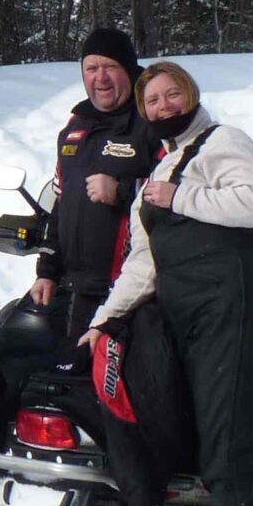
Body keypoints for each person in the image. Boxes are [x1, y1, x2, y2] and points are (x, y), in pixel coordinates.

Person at [81, 60, 253, 506]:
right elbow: (143, 263)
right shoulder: (160, 169)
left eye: (174, 94)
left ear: (192, 96)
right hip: (183, 310)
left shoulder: (225, 142)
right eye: (153, 100)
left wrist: (182, 194)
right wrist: (106, 319)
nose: (164, 105)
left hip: (233, 300)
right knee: (203, 444)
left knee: (229, 446)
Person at [28, 26, 159, 349]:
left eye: (110, 66)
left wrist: (122, 191)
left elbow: (180, 193)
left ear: (129, 69)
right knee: (83, 384)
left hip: (136, 291)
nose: (100, 77)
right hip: (82, 291)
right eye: (91, 68)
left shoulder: (151, 122)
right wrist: (47, 271)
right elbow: (61, 206)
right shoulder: (74, 130)